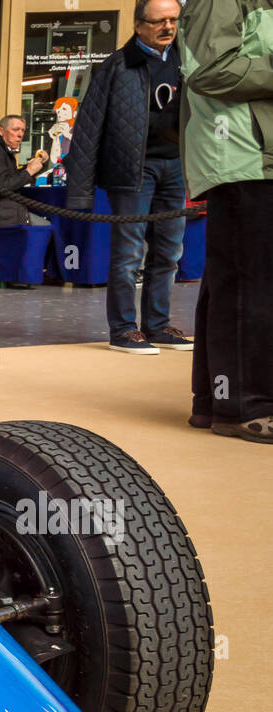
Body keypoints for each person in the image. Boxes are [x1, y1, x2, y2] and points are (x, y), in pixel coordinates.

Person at [64, 0, 191, 355]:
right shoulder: (116, 67)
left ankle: (158, 325)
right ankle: (123, 330)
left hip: (177, 166)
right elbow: (88, 129)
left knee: (169, 253)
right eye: (158, 22)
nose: (168, 27)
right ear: (138, 25)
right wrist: (79, 194)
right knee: (128, 254)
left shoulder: (187, 62)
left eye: (172, 20)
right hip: (132, 171)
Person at [180, 0, 273, 441]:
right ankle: (244, 408)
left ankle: (215, 400)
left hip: (251, 157)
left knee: (230, 283)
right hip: (241, 155)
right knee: (248, 287)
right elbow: (211, 70)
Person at [0, 115, 48, 235]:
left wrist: (34, 167)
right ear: (1, 131)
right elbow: (0, 186)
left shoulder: (0, 149)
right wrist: (29, 172)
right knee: (46, 228)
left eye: (23, 130)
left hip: (0, 213)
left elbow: (8, 178)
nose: (20, 134)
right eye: (15, 129)